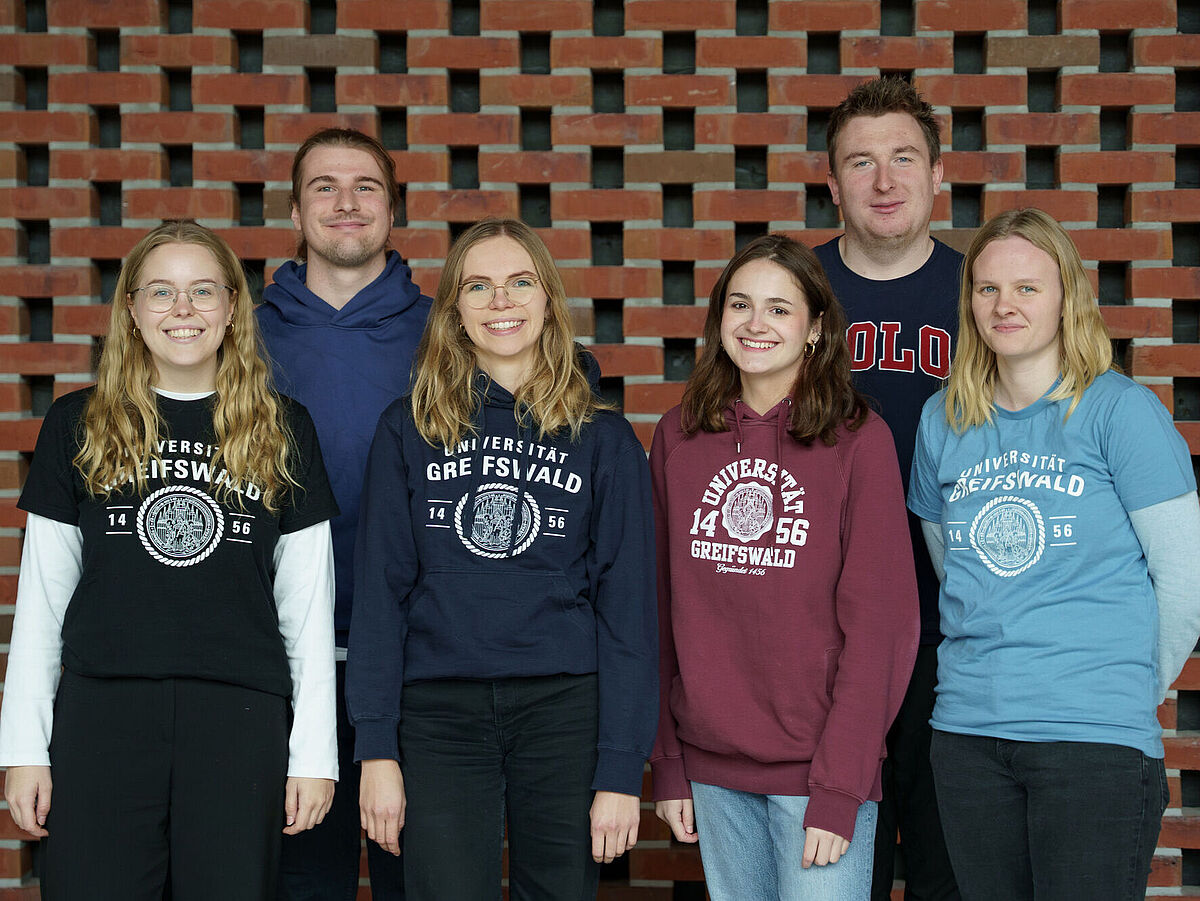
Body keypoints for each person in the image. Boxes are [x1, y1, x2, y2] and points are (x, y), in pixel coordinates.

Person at [0, 220, 339, 900]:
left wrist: (314, 755)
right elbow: (40, 602)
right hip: (103, 710)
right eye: (160, 291)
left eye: (202, 291)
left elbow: (306, 612)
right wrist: (24, 749)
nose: (182, 309)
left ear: (232, 308)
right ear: (131, 309)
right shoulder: (78, 422)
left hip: (240, 716)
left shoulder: (284, 426)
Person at [346, 217, 657, 899]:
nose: (501, 301)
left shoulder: (603, 437)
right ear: (454, 310)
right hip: (438, 713)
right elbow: (379, 595)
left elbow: (629, 612)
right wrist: (376, 749)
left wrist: (620, 769)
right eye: (478, 286)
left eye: (520, 282)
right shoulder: (409, 428)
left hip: (564, 708)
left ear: (548, 299)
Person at [908, 208, 1200, 900]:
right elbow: (956, 572)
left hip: (1093, 739)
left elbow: (1185, 582)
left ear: (1067, 297)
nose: (1004, 305)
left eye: (1027, 288)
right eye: (987, 288)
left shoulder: (1120, 411)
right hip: (968, 738)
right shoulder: (941, 420)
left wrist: (1117, 690)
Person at [650, 234, 919, 900]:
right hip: (711, 768)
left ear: (815, 327)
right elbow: (655, 607)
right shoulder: (679, 435)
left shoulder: (859, 439)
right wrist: (670, 762)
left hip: (817, 771)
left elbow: (882, 625)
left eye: (779, 308)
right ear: (719, 318)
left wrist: (841, 784)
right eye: (740, 304)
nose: (756, 323)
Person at [257, 127, 431, 901]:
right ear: (296, 211)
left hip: (421, 657)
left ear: (394, 209)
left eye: (366, 186)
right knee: (301, 882)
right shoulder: (239, 334)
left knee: (420, 880)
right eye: (323, 186)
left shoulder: (451, 331)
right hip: (282, 658)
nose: (346, 202)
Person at [815, 75, 962, 901]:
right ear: (832, 184)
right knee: (834, 870)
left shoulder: (984, 296)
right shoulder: (789, 294)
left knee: (952, 869)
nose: (884, 180)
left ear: (938, 173)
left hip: (958, 631)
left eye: (904, 157)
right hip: (819, 637)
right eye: (860, 162)